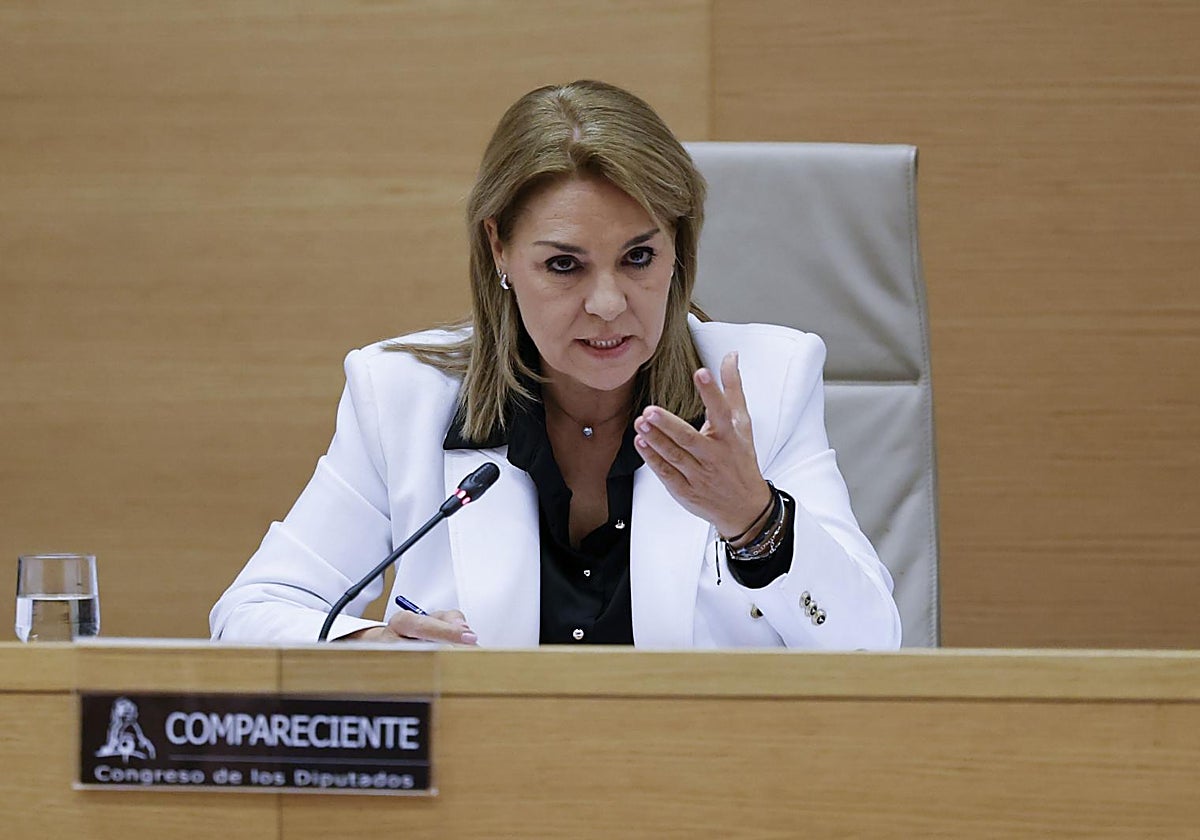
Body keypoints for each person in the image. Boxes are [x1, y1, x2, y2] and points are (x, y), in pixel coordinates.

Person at [210, 80, 902, 650]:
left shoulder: (763, 384)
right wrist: (369, 648)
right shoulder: (400, 396)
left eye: (638, 258)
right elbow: (252, 612)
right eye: (565, 265)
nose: (608, 304)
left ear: (678, 251)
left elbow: (871, 648)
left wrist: (755, 521)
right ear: (500, 251)